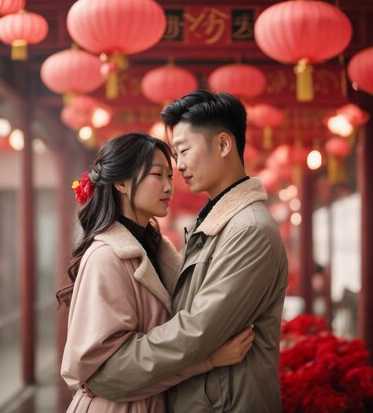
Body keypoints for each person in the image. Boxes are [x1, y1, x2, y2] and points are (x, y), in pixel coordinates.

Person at [85, 90, 289, 413]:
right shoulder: (214, 221)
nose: (177, 167)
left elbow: (197, 330)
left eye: (183, 151)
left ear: (223, 145)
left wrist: (115, 371)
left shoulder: (248, 230)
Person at [58, 133, 255, 413]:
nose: (168, 186)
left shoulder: (155, 249)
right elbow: (107, 371)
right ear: (121, 183)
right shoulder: (106, 257)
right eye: (156, 175)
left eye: (170, 176)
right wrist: (206, 358)